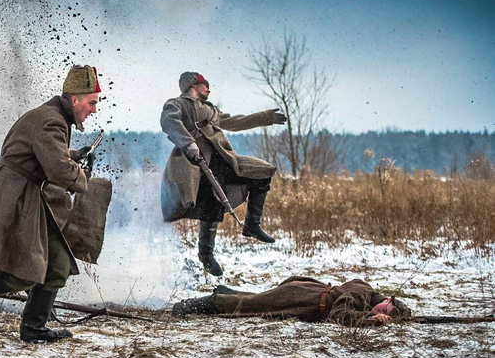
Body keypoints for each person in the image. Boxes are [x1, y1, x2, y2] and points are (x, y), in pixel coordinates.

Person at [0, 65, 101, 343]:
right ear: (74, 99)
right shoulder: (52, 120)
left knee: (57, 264)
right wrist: (82, 175)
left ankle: (33, 328)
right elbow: (59, 170)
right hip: (15, 196)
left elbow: (44, 150)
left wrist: (75, 155)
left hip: (23, 194)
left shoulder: (50, 116)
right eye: (91, 103)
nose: (94, 109)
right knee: (25, 270)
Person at [160, 72, 287, 277]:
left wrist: (266, 117)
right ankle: (206, 255)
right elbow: (169, 121)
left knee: (262, 172)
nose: (209, 89)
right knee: (212, 206)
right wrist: (188, 143)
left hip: (223, 160)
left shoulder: (211, 110)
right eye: (205, 85)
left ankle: (252, 225)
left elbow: (236, 122)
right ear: (193, 85)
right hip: (194, 165)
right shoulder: (177, 104)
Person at [171, 277, 411, 326]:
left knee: (257, 301)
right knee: (252, 306)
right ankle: (198, 304)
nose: (382, 311)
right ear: (386, 300)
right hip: (302, 296)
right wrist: (370, 319)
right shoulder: (363, 291)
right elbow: (340, 314)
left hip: (304, 301)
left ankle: (224, 292)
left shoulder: (367, 301)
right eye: (386, 309)